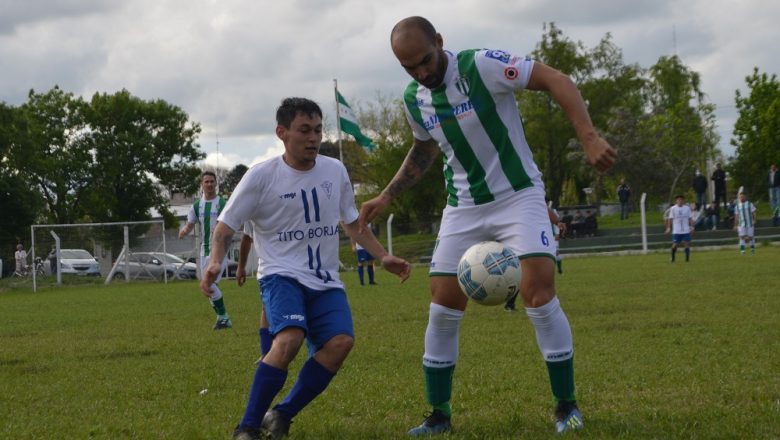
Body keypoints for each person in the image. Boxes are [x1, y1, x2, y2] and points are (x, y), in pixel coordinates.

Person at [358, 16, 616, 436]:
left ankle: (565, 407)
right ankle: (438, 415)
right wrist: (387, 195)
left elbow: (557, 79)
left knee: (538, 291)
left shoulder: (482, 66)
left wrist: (588, 136)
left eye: (425, 60)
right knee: (441, 305)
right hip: (463, 207)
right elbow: (424, 149)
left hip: (518, 196)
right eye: (409, 68)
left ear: (440, 42)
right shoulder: (414, 98)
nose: (422, 73)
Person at [201, 98, 411, 440]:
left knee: (341, 343)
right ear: (282, 133)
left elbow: (353, 222)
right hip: (280, 275)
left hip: (326, 279)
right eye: (304, 130)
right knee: (290, 339)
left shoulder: (335, 170)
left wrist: (382, 256)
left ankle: (282, 413)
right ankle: (247, 428)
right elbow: (225, 227)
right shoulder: (261, 177)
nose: (313, 138)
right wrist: (215, 262)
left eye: (317, 130)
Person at [179, 171, 233, 330]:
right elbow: (190, 224)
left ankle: (224, 317)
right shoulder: (197, 206)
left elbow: (226, 225)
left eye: (212, 181)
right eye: (206, 182)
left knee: (209, 284)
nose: (209, 184)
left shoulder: (223, 203)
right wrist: (184, 231)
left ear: (216, 184)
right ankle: (221, 318)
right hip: (204, 250)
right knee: (206, 287)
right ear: (202, 185)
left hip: (220, 251)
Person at [505, 206, 565, 311]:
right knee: (525, 276)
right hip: (527, 241)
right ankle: (511, 302)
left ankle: (510, 303)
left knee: (527, 276)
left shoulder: (538, 207)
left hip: (535, 240)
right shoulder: (529, 205)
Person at [236, 222, 272, 360]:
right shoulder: (253, 205)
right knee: (266, 307)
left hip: (300, 264)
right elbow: (246, 237)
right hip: (270, 269)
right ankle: (266, 352)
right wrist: (241, 267)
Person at [665, 195, 694, 263]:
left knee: (686, 243)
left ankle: (687, 259)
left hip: (686, 230)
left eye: (681, 200)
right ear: (676, 201)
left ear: (683, 201)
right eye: (678, 200)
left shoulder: (687, 208)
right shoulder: (673, 208)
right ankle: (673, 258)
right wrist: (669, 227)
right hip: (676, 230)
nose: (680, 201)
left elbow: (690, 218)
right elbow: (670, 219)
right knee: (675, 244)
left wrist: (692, 227)